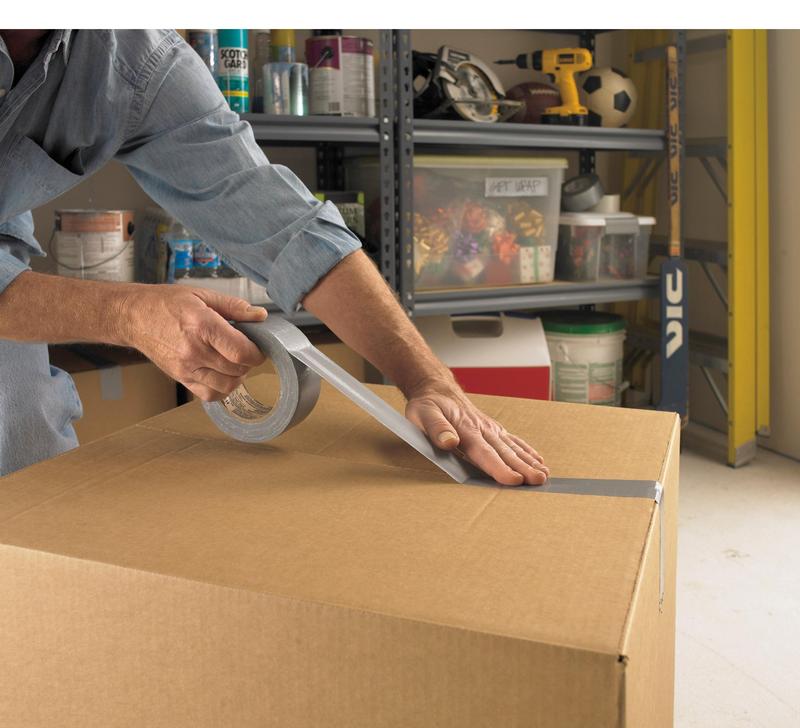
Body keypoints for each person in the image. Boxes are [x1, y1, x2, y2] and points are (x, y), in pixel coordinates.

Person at [0, 29, 549, 484]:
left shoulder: (131, 56)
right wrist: (128, 315)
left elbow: (283, 223)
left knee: (25, 458)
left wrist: (428, 380)